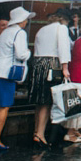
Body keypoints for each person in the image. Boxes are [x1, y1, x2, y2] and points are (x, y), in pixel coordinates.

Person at [0, 7, 33, 150]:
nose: (26, 22)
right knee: (4, 106)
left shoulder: (5, 32)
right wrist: (28, 53)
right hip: (6, 73)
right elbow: (21, 54)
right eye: (25, 20)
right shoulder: (19, 32)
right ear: (21, 21)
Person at [28, 11, 71, 148]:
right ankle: (40, 134)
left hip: (37, 64)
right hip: (52, 65)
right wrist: (65, 68)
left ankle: (36, 131)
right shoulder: (61, 28)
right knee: (47, 101)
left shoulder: (41, 29)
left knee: (39, 101)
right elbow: (63, 48)